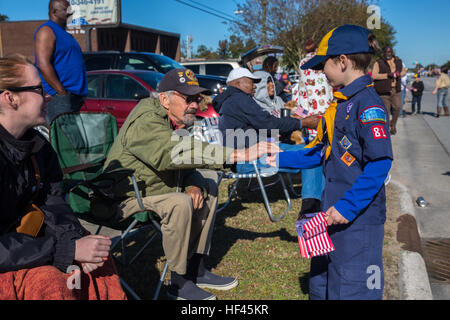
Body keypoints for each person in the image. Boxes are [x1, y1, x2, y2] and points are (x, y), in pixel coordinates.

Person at [103, 68, 280, 300]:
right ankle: (178, 282)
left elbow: (185, 163)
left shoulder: (175, 120)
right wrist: (238, 154)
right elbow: (172, 153)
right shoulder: (146, 120)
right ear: (165, 99)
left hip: (156, 188)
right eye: (188, 98)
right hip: (124, 197)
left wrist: (193, 183)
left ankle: (197, 268)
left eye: (197, 98)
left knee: (208, 183)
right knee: (180, 202)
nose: (195, 105)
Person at [267, 25, 393, 300]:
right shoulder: (339, 105)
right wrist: (274, 157)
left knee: (353, 288)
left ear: (343, 61)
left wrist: (348, 207)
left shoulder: (367, 105)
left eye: (324, 65)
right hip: (330, 214)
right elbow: (318, 152)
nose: (321, 71)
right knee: (323, 284)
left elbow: (380, 163)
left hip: (356, 219)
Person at [0, 54, 126, 300]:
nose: (48, 95)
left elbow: (54, 204)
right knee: (48, 282)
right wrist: (67, 250)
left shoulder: (38, 147)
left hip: (30, 242)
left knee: (99, 254)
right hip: (9, 255)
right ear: (10, 97)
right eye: (39, 89)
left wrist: (77, 243)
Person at [291, 39, 334, 215]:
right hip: (326, 116)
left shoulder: (303, 63)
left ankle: (312, 202)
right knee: (326, 156)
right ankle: (324, 199)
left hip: (310, 117)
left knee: (314, 156)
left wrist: (302, 115)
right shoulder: (326, 60)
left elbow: (300, 93)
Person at [34, 0, 87, 124]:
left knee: (73, 141)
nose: (71, 13)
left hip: (74, 96)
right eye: (66, 10)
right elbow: (43, 64)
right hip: (60, 98)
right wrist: (61, 91)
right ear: (54, 11)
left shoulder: (66, 35)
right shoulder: (46, 31)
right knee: (61, 140)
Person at [372, 46, 406, 135]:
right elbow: (374, 76)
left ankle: (393, 124)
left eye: (390, 52)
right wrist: (388, 75)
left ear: (392, 52)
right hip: (383, 90)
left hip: (396, 89)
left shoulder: (398, 61)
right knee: (386, 111)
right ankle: (386, 128)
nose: (388, 54)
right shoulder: (379, 62)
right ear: (384, 53)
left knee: (398, 107)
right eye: (386, 52)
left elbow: (404, 72)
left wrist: (399, 74)